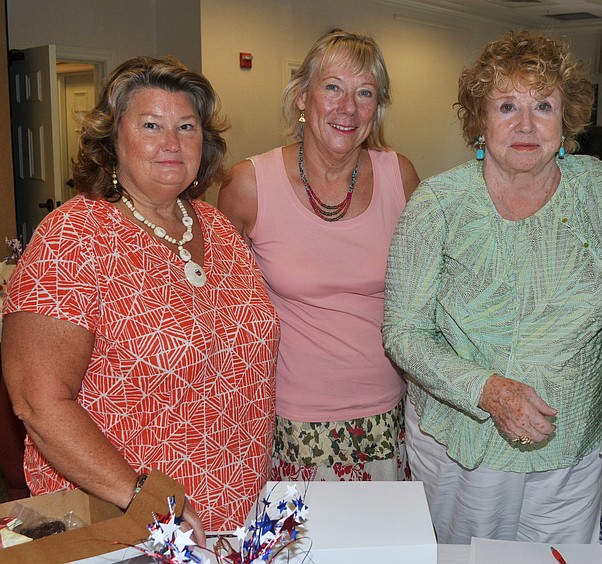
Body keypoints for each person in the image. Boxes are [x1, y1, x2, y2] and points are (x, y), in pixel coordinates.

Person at [382, 29, 602, 544]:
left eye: (543, 106)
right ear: (479, 120)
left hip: (571, 453)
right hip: (465, 449)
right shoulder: (438, 205)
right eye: (507, 106)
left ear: (566, 118)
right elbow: (404, 332)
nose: (526, 125)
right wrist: (487, 389)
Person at [1, 56, 280, 540]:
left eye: (186, 126)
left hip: (237, 515)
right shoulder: (74, 237)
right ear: (113, 140)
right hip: (124, 521)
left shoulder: (216, 227)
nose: (171, 143)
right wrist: (142, 496)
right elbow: (38, 402)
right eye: (151, 125)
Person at [218, 30, 420, 483]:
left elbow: (424, 297)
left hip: (387, 414)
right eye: (332, 87)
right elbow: (224, 311)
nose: (347, 107)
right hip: (289, 419)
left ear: (377, 108)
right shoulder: (248, 185)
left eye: (364, 92)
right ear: (302, 97)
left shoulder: (400, 177)